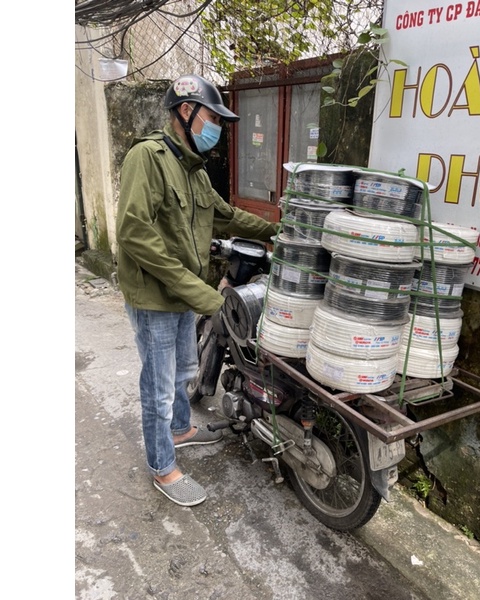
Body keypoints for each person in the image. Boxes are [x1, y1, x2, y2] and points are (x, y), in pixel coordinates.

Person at [116, 74, 279, 507]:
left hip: (183, 293)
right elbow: (134, 233)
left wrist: (278, 232)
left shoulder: (193, 169)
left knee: (184, 369)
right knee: (158, 383)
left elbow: (227, 216)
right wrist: (206, 295)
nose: (218, 128)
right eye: (214, 118)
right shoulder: (147, 158)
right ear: (186, 112)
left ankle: (180, 428)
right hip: (154, 296)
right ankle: (162, 466)